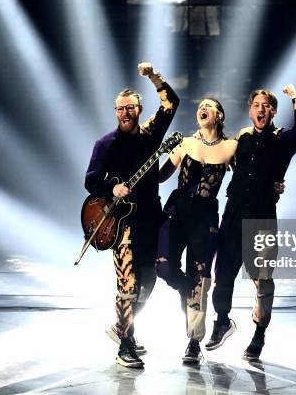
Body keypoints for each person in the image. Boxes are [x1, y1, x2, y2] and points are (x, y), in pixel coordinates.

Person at [205, 84, 296, 361]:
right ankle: (222, 321)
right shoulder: (243, 136)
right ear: (250, 110)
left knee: (262, 280)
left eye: (266, 105)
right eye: (256, 105)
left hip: (262, 217)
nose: (260, 109)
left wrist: (295, 99)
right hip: (233, 214)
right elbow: (223, 156)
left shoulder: (282, 138)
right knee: (223, 275)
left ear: (273, 111)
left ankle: (259, 334)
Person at [84, 62, 180, 368]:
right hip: (122, 224)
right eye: (120, 108)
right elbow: (91, 180)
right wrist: (113, 190)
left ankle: (124, 328)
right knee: (127, 283)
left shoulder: (152, 134)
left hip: (151, 217)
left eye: (131, 107)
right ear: (115, 112)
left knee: (149, 280)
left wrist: (153, 77)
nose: (125, 113)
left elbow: (171, 103)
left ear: (139, 110)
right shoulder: (105, 144)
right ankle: (125, 345)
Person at [156, 97, 236, 364]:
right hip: (177, 212)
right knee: (164, 266)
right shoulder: (185, 143)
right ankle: (184, 287)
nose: (202, 107)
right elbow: (161, 175)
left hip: (206, 218)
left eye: (209, 105)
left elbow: (250, 172)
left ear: (219, 115)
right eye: (200, 105)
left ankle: (193, 342)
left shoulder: (231, 146)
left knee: (201, 279)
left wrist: (274, 185)